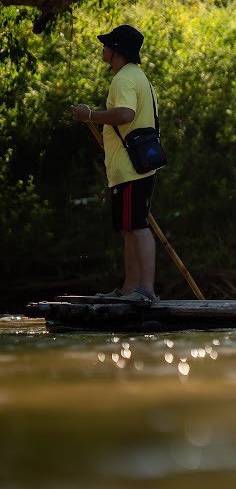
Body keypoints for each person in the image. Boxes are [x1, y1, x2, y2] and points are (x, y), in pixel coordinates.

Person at [70, 24, 162, 303]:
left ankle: (145, 290)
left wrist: (90, 115)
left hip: (131, 167)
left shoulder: (123, 79)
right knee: (128, 228)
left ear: (117, 52)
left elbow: (125, 113)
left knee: (137, 226)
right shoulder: (139, 77)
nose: (103, 48)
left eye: (107, 45)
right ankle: (128, 289)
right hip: (131, 167)